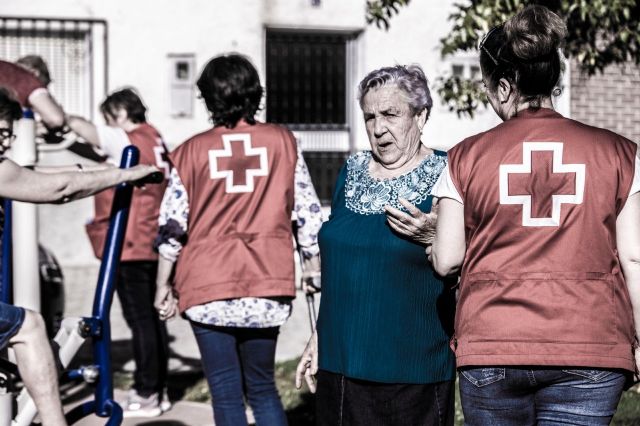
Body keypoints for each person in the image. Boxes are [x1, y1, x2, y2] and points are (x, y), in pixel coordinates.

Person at [429, 5, 640, 425]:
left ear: (505, 87)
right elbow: (633, 258)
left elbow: (447, 259)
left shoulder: (463, 158)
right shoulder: (620, 154)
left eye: (489, 89)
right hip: (590, 344)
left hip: (493, 343)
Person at [153, 53, 322, 426]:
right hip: (266, 281)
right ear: (255, 92)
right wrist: (312, 264)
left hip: (206, 284)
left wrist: (162, 284)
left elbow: (171, 226)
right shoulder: (284, 142)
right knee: (263, 390)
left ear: (209, 98)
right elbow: (308, 215)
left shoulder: (189, 151)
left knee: (226, 393)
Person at [295, 64, 456, 425]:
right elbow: (339, 270)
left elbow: (471, 264)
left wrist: (435, 236)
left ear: (421, 115)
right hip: (340, 369)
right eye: (369, 117)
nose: (378, 128)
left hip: (411, 372)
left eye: (390, 114)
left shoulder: (449, 175)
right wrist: (319, 337)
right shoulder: (351, 171)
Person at [0, 89, 158, 426]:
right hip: (139, 244)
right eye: (1, 134)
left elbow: (62, 180)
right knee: (29, 325)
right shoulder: (147, 138)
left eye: (10, 136)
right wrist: (126, 174)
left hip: (137, 244)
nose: (6, 144)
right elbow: (59, 188)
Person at [66, 88, 171, 418]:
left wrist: (56, 118)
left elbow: (88, 131)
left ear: (121, 114)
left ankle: (147, 393)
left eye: (109, 118)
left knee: (140, 321)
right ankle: (157, 390)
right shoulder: (155, 138)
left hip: (129, 243)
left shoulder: (127, 139)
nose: (107, 126)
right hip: (151, 238)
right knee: (151, 322)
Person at [0, 55, 64, 129]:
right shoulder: (29, 80)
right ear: (35, 73)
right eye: (44, 86)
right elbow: (56, 119)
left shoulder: (7, 70)